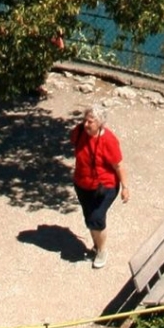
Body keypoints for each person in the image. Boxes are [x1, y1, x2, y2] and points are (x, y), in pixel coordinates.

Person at [70, 103, 129, 268]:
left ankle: (102, 250)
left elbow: (119, 166)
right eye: (85, 120)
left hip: (105, 186)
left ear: (100, 123)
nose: (86, 124)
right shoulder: (80, 131)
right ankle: (96, 246)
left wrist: (125, 187)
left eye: (91, 121)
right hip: (82, 184)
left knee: (96, 218)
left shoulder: (108, 141)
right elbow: (74, 140)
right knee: (89, 218)